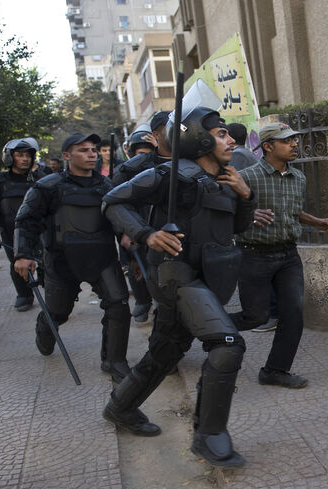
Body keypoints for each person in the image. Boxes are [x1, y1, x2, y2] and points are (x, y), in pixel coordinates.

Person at [101, 106, 255, 467]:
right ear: (198, 139)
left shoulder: (229, 177)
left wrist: (247, 196)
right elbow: (113, 201)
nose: (231, 139)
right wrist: (146, 233)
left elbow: (238, 229)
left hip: (211, 277)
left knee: (166, 351)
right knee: (227, 344)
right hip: (177, 275)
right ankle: (209, 435)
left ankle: (119, 407)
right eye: (220, 134)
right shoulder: (171, 176)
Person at [13, 133, 133, 382]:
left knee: (119, 306)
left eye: (94, 150)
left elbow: (122, 216)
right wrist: (23, 255)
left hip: (102, 258)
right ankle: (45, 326)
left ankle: (115, 361)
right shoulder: (47, 187)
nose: (92, 154)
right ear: (67, 156)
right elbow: (26, 222)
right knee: (58, 312)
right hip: (62, 262)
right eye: (84, 150)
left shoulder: (107, 186)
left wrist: (127, 236)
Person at [232, 122, 328, 389]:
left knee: (293, 314)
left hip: (288, 255)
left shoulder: (297, 177)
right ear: (268, 146)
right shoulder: (248, 177)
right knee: (255, 316)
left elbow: (293, 211)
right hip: (254, 255)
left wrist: (317, 222)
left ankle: (275, 370)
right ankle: (205, 327)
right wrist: (250, 214)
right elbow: (228, 209)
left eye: (294, 141)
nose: (294, 145)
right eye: (287, 141)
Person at [111, 111, 172, 322]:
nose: (142, 157)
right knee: (134, 268)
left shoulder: (162, 167)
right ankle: (142, 300)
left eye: (147, 152)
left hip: (156, 226)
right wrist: (125, 233)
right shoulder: (124, 171)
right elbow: (114, 205)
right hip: (132, 229)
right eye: (139, 153)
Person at [0, 138, 49, 311]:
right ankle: (24, 295)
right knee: (17, 263)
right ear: (10, 157)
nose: (25, 159)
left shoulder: (41, 178)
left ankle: (53, 293)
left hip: (40, 228)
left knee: (48, 260)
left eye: (28, 155)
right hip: (11, 230)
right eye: (20, 155)